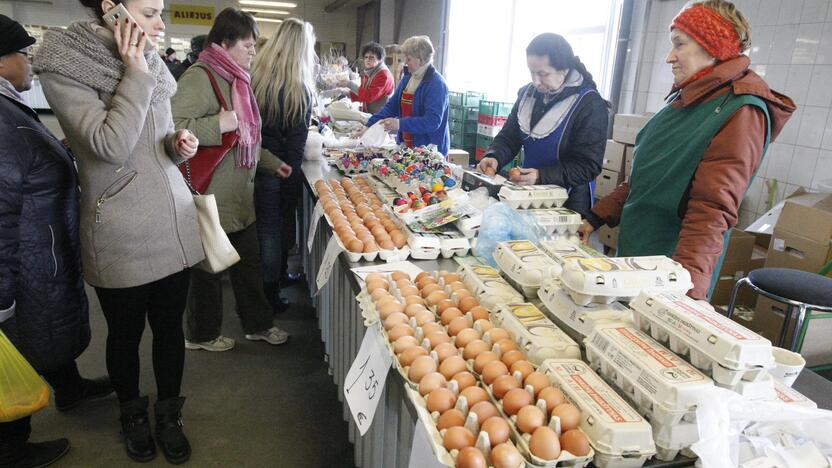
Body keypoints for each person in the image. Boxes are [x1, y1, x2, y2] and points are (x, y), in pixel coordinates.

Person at [33, 0, 205, 463]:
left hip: (174, 222)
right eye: (149, 12)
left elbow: (154, 142)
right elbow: (108, 147)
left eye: (161, 12)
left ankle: (169, 413)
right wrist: (134, 70)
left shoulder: (149, 58)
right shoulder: (66, 63)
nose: (159, 23)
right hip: (120, 230)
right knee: (125, 334)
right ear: (112, 8)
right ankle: (132, 413)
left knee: (169, 329)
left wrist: (176, 145)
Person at [579, 0, 795, 300]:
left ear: (713, 46)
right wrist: (595, 216)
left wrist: (687, 292)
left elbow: (712, 210)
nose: (670, 57)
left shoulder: (741, 110)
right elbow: (649, 177)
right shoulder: (685, 98)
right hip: (638, 250)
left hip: (672, 266)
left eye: (679, 45)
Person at [0, 15, 113, 468]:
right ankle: (11, 446)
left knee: (44, 332)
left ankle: (69, 386)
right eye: (23, 55)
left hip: (39, 249)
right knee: (17, 343)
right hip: (24, 259)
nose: (30, 64)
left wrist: (58, 152)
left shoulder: (11, 109)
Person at [172, 8, 289, 350]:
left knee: (248, 266)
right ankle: (201, 334)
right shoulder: (201, 76)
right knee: (208, 271)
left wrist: (271, 163)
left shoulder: (237, 78)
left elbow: (245, 139)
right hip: (211, 195)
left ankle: (258, 324)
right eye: (248, 45)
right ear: (225, 43)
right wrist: (217, 125)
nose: (254, 51)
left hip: (239, 197)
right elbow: (172, 128)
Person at [476, 33, 608, 218]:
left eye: (543, 74)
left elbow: (588, 165)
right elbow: (510, 136)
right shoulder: (528, 94)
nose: (536, 81)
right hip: (528, 192)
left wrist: (541, 176)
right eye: (532, 72)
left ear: (564, 70)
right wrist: (495, 155)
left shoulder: (589, 105)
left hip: (568, 201)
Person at [250, 18, 315, 312]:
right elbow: (297, 144)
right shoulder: (299, 89)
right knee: (278, 231)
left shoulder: (257, 78)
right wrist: (291, 175)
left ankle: (270, 283)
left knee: (266, 230)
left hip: (257, 164)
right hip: (283, 168)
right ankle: (271, 294)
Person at [364, 35, 450, 155]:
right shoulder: (408, 77)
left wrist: (399, 124)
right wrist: (368, 125)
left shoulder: (436, 85)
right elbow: (392, 106)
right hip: (407, 146)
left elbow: (432, 122)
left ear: (420, 59)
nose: (405, 63)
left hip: (429, 151)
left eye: (408, 59)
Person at [338, 42, 394, 114]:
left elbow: (369, 96)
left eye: (372, 57)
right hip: (370, 114)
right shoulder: (370, 72)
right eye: (366, 57)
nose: (368, 60)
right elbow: (362, 93)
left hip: (381, 117)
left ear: (380, 59)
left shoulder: (384, 75)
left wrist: (349, 84)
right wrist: (344, 93)